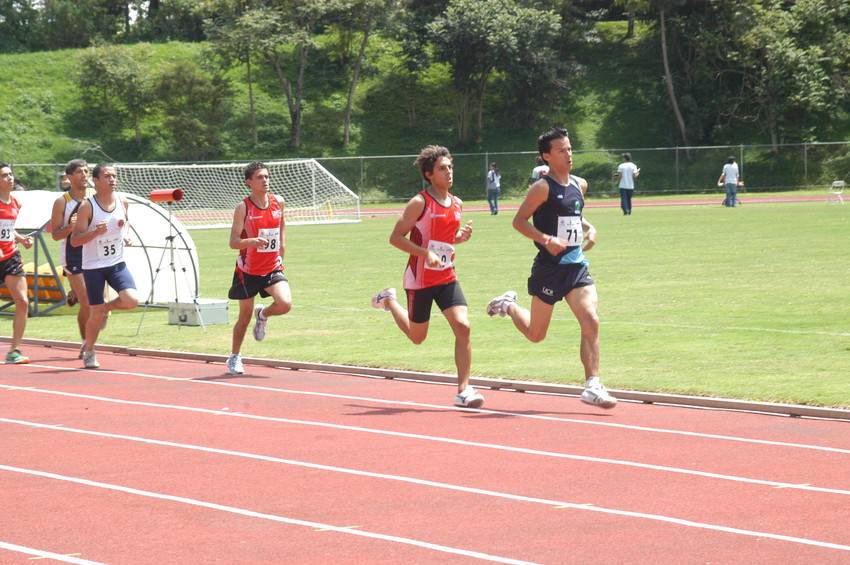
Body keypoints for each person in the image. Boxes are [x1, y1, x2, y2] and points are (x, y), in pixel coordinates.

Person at [486, 127, 617, 409]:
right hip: (549, 269)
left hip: (576, 268)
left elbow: (575, 215)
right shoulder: (542, 187)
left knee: (591, 319)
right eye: (561, 150)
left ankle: (592, 385)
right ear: (546, 156)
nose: (568, 154)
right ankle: (508, 305)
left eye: (569, 149)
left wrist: (590, 227)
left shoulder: (580, 184)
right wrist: (546, 239)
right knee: (536, 334)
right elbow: (519, 221)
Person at [371, 145, 481, 408]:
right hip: (419, 280)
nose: (449, 172)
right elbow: (395, 238)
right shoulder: (420, 202)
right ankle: (388, 301)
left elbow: (444, 239)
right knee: (417, 337)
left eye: (450, 167)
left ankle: (463, 391)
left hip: (446, 277)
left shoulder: (457, 203)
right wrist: (424, 254)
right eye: (442, 168)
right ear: (429, 174)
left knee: (463, 327)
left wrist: (459, 239)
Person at [70, 162, 139, 369]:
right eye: (107, 176)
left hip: (116, 263)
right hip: (93, 266)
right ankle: (89, 352)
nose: (112, 180)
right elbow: (75, 240)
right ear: (96, 181)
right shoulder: (87, 207)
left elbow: (126, 221)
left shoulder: (122, 200)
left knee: (132, 300)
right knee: (96, 314)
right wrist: (94, 233)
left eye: (114, 176)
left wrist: (126, 234)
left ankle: (102, 308)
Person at [226, 161, 292, 375]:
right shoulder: (243, 207)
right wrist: (251, 241)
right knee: (244, 317)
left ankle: (263, 314)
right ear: (250, 182)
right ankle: (234, 357)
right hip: (249, 270)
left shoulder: (278, 201)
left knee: (285, 304)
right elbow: (234, 242)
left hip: (272, 266)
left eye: (266, 176)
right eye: (260, 178)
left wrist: (282, 245)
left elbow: (282, 224)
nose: (265, 181)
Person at [51, 159, 96, 359]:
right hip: (73, 254)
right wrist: (70, 227)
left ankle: (74, 290)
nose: (84, 175)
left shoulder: (96, 198)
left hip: (96, 254)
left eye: (86, 171)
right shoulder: (63, 201)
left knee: (98, 305)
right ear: (69, 177)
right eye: (79, 172)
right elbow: (55, 234)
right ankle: (86, 344)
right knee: (87, 303)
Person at [0, 162, 34, 364]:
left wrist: (21, 239)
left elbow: (8, 228)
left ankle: (14, 350)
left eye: (11, 175)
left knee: (22, 302)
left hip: (10, 256)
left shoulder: (15, 203)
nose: (10, 178)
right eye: (5, 175)